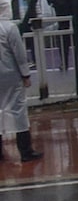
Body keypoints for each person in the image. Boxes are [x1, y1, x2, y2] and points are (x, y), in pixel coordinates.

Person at [0, 15, 36, 161]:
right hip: (10, 75)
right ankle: (25, 151)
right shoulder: (9, 27)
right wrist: (25, 74)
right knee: (18, 111)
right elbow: (19, 54)